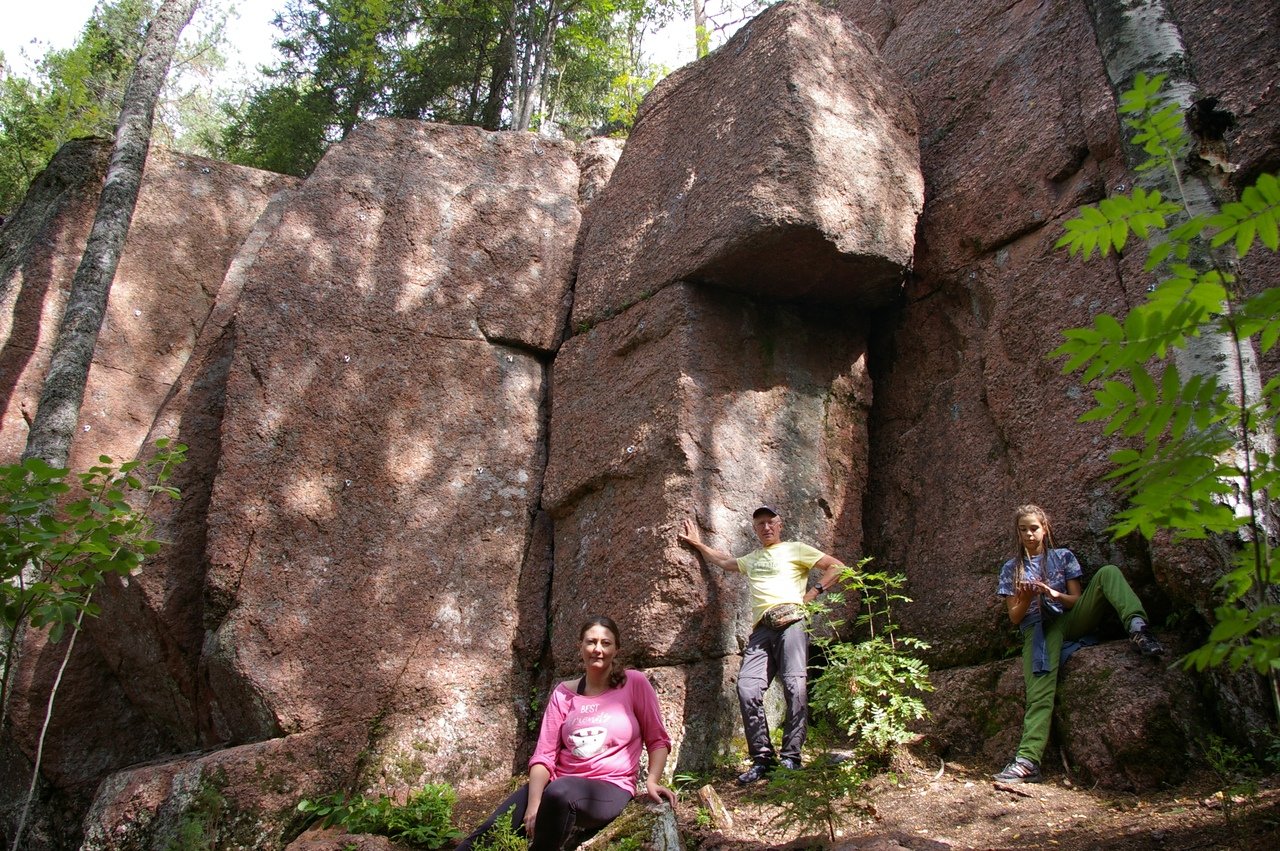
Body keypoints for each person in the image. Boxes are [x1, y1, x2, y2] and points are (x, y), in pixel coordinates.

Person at [457, 616, 676, 851]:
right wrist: (533, 805)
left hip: (610, 787)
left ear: (616, 649)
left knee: (560, 794)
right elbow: (544, 755)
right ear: (580, 647)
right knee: (478, 840)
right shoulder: (563, 693)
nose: (598, 649)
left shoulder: (634, 683)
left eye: (606, 643)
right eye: (591, 642)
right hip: (556, 785)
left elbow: (657, 739)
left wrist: (652, 780)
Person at [993, 503, 1164, 784]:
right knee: (1039, 690)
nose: (1029, 535)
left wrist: (1052, 593)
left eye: (1034, 528)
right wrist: (1025, 597)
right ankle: (1027, 760)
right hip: (1039, 629)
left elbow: (1075, 599)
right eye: (1023, 530)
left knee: (1108, 572)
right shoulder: (1012, 568)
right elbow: (1014, 618)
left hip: (1070, 618)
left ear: (1045, 528)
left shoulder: (1062, 557)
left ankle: (1138, 627)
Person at [678, 505, 846, 784]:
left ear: (780, 525)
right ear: (755, 530)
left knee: (794, 685)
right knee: (747, 687)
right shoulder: (753, 558)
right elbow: (725, 562)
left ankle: (791, 757)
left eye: (771, 522)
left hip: (792, 623)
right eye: (760, 524)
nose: (766, 527)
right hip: (762, 630)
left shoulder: (796, 549)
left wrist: (812, 594)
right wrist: (698, 544)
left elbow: (837, 566)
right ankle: (762, 759)